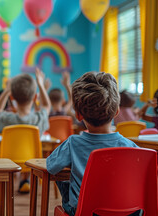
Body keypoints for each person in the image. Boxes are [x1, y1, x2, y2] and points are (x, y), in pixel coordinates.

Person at [46, 72, 138, 216]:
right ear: (116, 111)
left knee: (66, 185)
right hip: (127, 211)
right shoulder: (132, 147)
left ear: (78, 115)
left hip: (86, 211)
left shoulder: (73, 143)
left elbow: (51, 167)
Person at [0, 68, 51, 193]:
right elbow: (47, 106)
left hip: (9, 162)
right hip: (33, 162)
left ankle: (24, 181)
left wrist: (7, 89)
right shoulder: (38, 118)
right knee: (29, 160)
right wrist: (40, 84)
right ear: (35, 97)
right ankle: (26, 180)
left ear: (12, 97)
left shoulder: (8, 119)